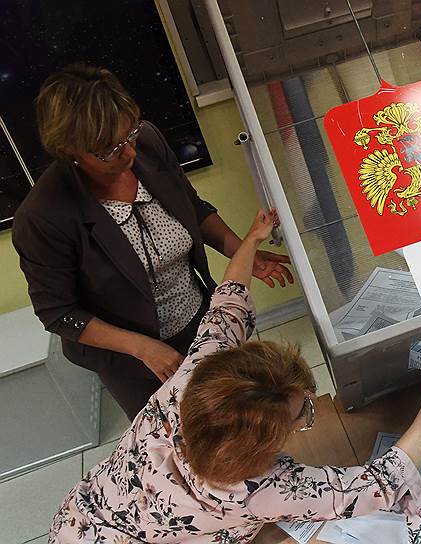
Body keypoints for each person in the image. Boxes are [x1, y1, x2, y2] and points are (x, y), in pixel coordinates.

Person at [49, 209, 421, 544]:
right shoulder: (252, 489)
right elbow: (378, 484)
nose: (310, 411)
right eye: (302, 414)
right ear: (261, 448)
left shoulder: (195, 379)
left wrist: (251, 239)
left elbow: (226, 307)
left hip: (80, 519)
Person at [13, 64, 294, 419]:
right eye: (109, 150)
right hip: (134, 358)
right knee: (181, 435)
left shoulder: (147, 142)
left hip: (198, 319)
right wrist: (143, 348)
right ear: (70, 149)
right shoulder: (43, 217)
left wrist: (243, 252)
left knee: (242, 417)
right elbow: (59, 313)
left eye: (128, 135)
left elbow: (191, 207)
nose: (129, 153)